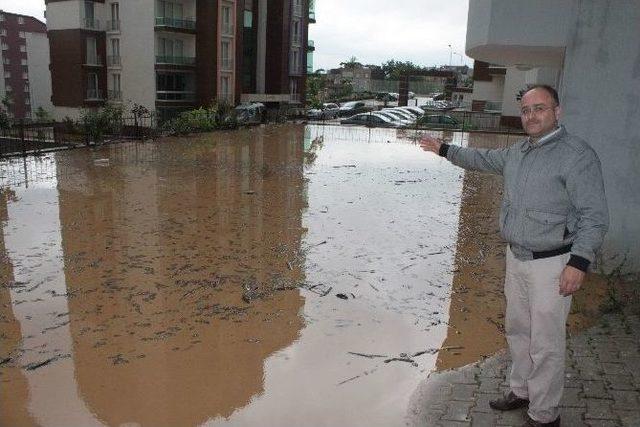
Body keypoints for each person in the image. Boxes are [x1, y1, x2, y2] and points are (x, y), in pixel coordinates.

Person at [420, 85, 608, 427]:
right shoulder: (518, 152)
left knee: (546, 341)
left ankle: (544, 413)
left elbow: (594, 216)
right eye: (526, 111)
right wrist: (444, 149)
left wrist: (579, 262)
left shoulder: (577, 155)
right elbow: (481, 159)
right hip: (517, 258)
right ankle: (521, 391)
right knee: (519, 330)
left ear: (557, 111)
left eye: (539, 108)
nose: (531, 116)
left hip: (553, 264)